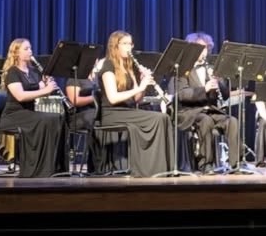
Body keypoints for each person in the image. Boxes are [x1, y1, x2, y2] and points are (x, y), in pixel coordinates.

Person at [93, 30, 174, 177]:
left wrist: (144, 83)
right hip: (112, 113)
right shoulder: (108, 65)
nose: (129, 47)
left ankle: (162, 169)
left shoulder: (129, 67)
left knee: (163, 117)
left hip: (128, 112)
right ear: (115, 46)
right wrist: (140, 87)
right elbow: (113, 98)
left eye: (130, 44)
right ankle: (149, 169)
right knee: (158, 119)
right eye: (125, 44)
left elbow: (137, 99)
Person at [0, 38, 69, 178]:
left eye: (30, 48)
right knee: (46, 120)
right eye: (26, 49)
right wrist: (45, 90)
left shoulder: (33, 71)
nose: (30, 51)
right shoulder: (12, 72)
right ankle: (40, 168)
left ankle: (56, 167)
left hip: (29, 113)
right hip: (13, 115)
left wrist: (47, 84)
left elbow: (39, 87)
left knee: (57, 118)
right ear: (16, 53)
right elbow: (20, 96)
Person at [173, 32, 241, 173]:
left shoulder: (211, 68)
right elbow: (182, 94)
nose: (203, 52)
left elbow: (226, 95)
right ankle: (206, 164)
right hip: (189, 112)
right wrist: (204, 89)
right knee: (206, 120)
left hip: (210, 110)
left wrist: (219, 81)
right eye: (200, 48)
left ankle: (236, 164)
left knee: (232, 121)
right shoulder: (181, 69)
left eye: (205, 48)